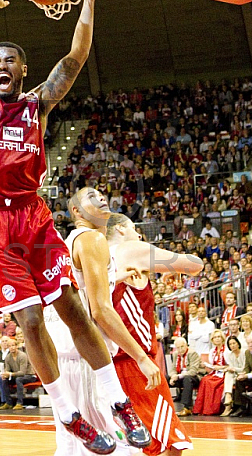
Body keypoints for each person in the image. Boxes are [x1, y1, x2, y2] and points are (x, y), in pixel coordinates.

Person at [0, 0, 143, 454]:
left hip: (33, 216)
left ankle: (117, 402)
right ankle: (69, 413)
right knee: (31, 320)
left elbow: (75, 57)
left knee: (74, 311)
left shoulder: (38, 104)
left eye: (9, 60)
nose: (0, 66)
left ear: (24, 69)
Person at [44, 188, 157, 455]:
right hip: (86, 359)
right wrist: (141, 357)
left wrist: (114, 278)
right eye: (91, 197)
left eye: (103, 195)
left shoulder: (68, 242)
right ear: (76, 211)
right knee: (118, 448)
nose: (102, 198)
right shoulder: (92, 238)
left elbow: (78, 290)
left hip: (64, 359)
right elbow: (101, 311)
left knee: (74, 447)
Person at [107, 213, 200, 455]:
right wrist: (170, 265)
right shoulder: (129, 249)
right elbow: (193, 265)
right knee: (169, 441)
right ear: (118, 229)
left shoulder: (94, 259)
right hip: (136, 363)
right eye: (133, 228)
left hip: (104, 364)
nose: (138, 235)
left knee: (123, 441)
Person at [192, 330, 229, 416]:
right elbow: (213, 365)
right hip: (215, 372)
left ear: (222, 338)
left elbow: (231, 365)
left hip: (224, 373)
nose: (217, 339)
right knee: (204, 380)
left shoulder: (227, 350)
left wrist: (220, 367)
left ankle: (212, 409)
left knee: (212, 383)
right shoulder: (212, 351)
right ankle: (201, 409)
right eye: (215, 337)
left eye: (219, 337)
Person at [169, 337, 204, 417]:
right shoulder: (175, 354)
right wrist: (173, 376)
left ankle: (186, 408)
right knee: (165, 378)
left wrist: (177, 376)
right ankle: (161, 404)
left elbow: (193, 371)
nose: (180, 349)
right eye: (178, 347)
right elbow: (173, 369)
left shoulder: (192, 353)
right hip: (181, 376)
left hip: (195, 377)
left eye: (182, 346)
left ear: (186, 345)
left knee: (187, 379)